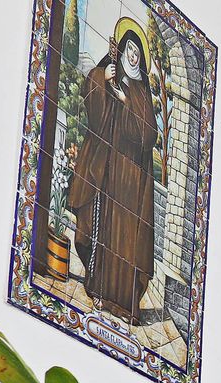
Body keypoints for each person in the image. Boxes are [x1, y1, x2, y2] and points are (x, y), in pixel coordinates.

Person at [68, 21, 157, 324]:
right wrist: (101, 78)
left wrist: (125, 99)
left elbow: (148, 135)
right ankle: (99, 289)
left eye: (137, 52)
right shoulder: (110, 71)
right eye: (129, 49)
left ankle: (125, 303)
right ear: (122, 50)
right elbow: (92, 106)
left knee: (127, 243)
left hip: (131, 184)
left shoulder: (142, 91)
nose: (132, 57)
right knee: (103, 229)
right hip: (109, 171)